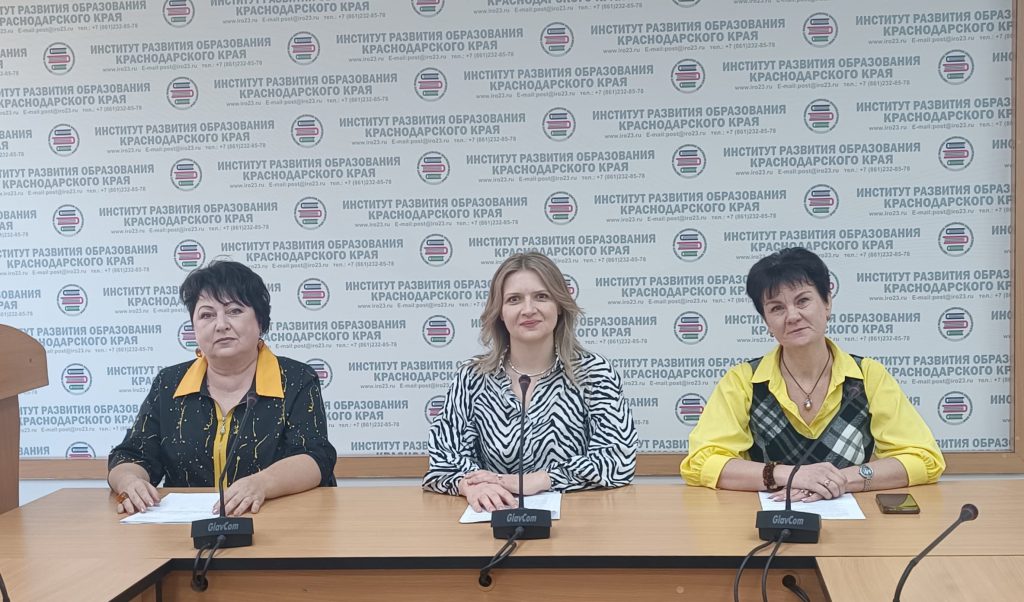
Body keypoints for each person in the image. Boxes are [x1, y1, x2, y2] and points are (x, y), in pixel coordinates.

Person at [680, 247, 944, 500]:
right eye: (776, 308)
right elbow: (703, 462)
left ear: (827, 303)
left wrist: (838, 481)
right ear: (766, 322)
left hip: (850, 519)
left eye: (803, 301)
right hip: (768, 518)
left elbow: (923, 459)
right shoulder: (742, 381)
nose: (792, 316)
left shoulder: (868, 376)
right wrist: (793, 475)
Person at [108, 260, 337, 515]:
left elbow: (315, 458)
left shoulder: (295, 379)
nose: (221, 324)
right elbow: (131, 455)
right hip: (187, 527)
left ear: (260, 321)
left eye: (234, 311)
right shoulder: (169, 384)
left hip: (276, 520)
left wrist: (261, 484)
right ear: (194, 327)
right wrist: (129, 481)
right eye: (207, 315)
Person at [423, 252, 638, 511]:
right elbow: (443, 462)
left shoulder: (594, 374)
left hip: (579, 520)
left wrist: (540, 480)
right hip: (493, 518)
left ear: (559, 305)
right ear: (500, 312)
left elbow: (618, 461)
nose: (528, 309)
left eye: (541, 296)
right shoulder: (472, 377)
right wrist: (471, 485)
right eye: (514, 299)